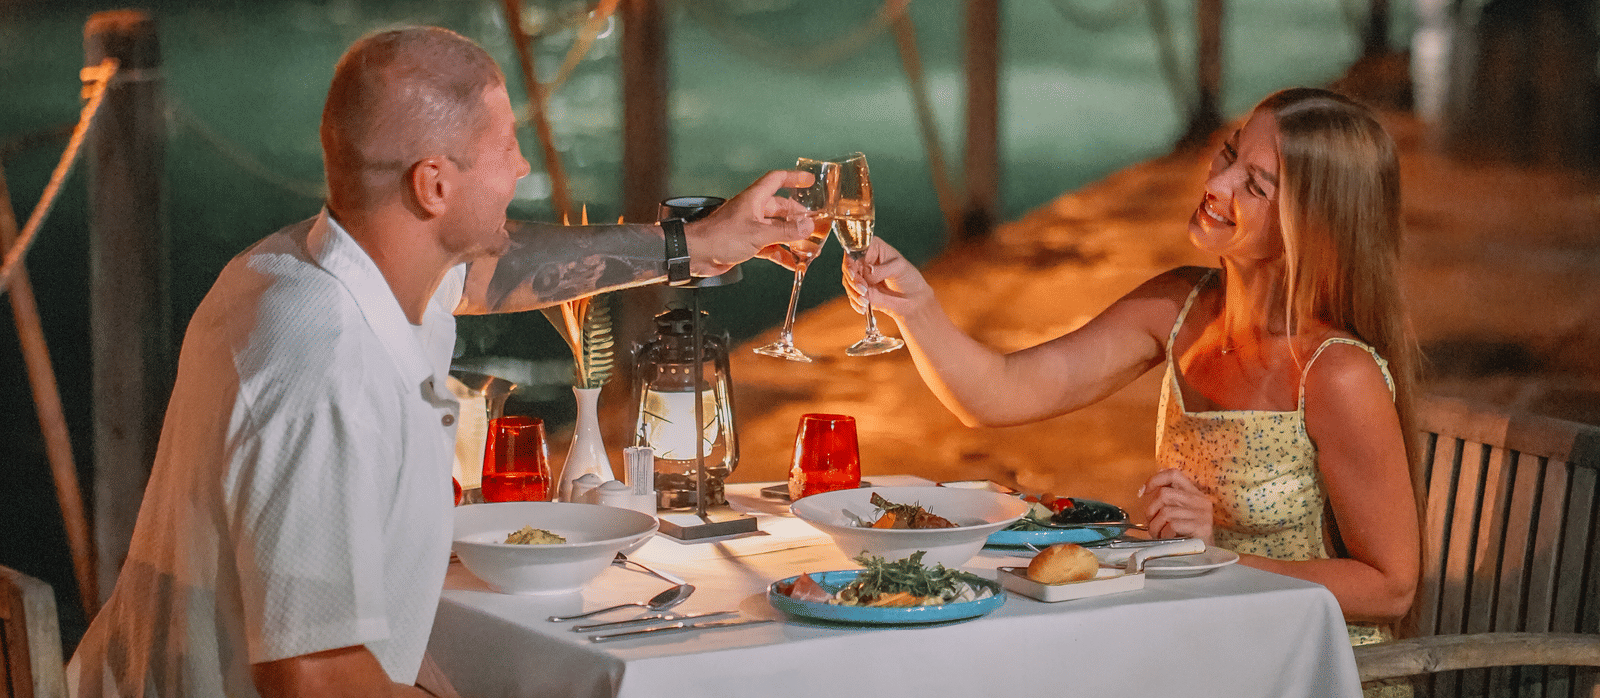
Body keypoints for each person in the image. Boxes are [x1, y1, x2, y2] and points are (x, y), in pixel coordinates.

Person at [66, 26, 810, 698]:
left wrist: (696, 244)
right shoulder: (324, 363)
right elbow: (312, 674)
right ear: (433, 184)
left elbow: (494, 272)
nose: (521, 165)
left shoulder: (322, 263)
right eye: (504, 145)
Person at [845, 87, 1421, 644]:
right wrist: (914, 306)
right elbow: (997, 393)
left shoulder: (1337, 373)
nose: (1216, 184)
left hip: (1306, 662)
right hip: (1200, 637)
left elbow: (1391, 588)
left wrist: (1216, 554)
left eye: (1254, 185)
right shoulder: (1180, 307)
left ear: (1313, 223)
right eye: (1229, 152)